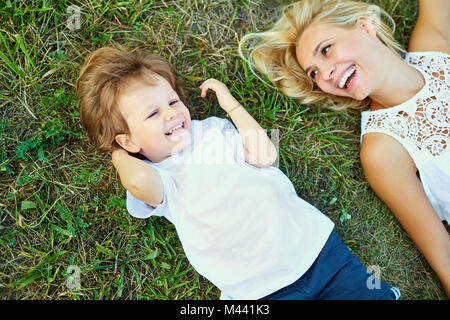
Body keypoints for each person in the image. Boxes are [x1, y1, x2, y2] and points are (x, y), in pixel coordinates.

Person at [76, 46, 400, 300]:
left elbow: (266, 155)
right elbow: (135, 181)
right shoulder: (159, 179)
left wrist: (232, 106)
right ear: (129, 140)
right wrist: (118, 152)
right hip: (257, 290)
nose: (172, 113)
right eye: (153, 112)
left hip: (314, 250)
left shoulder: (213, 132)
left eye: (173, 100)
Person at [238, 0, 450, 296]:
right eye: (313, 73)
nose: (324, 73)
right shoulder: (382, 152)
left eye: (326, 50)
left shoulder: (435, 48)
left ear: (365, 27)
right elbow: (443, 254)